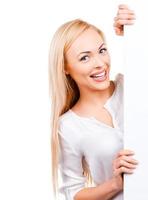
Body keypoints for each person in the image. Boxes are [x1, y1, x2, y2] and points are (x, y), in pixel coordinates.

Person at [48, 4, 138, 200]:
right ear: (65, 68)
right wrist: (116, 183)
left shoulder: (131, 85)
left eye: (102, 50)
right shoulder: (68, 126)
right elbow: (74, 193)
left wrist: (136, 31)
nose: (100, 63)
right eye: (85, 57)